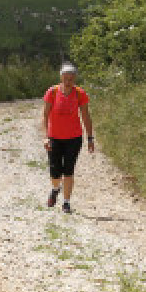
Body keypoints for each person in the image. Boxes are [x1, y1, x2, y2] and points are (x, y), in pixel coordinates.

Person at [41, 61, 94, 214]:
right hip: (54, 138)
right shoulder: (52, 92)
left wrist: (90, 138)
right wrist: (46, 137)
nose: (69, 81)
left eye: (71, 78)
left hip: (74, 138)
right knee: (55, 171)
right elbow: (44, 115)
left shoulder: (80, 93)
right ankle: (55, 189)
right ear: (61, 77)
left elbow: (86, 116)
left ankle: (66, 202)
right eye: (66, 78)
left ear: (75, 79)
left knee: (68, 170)